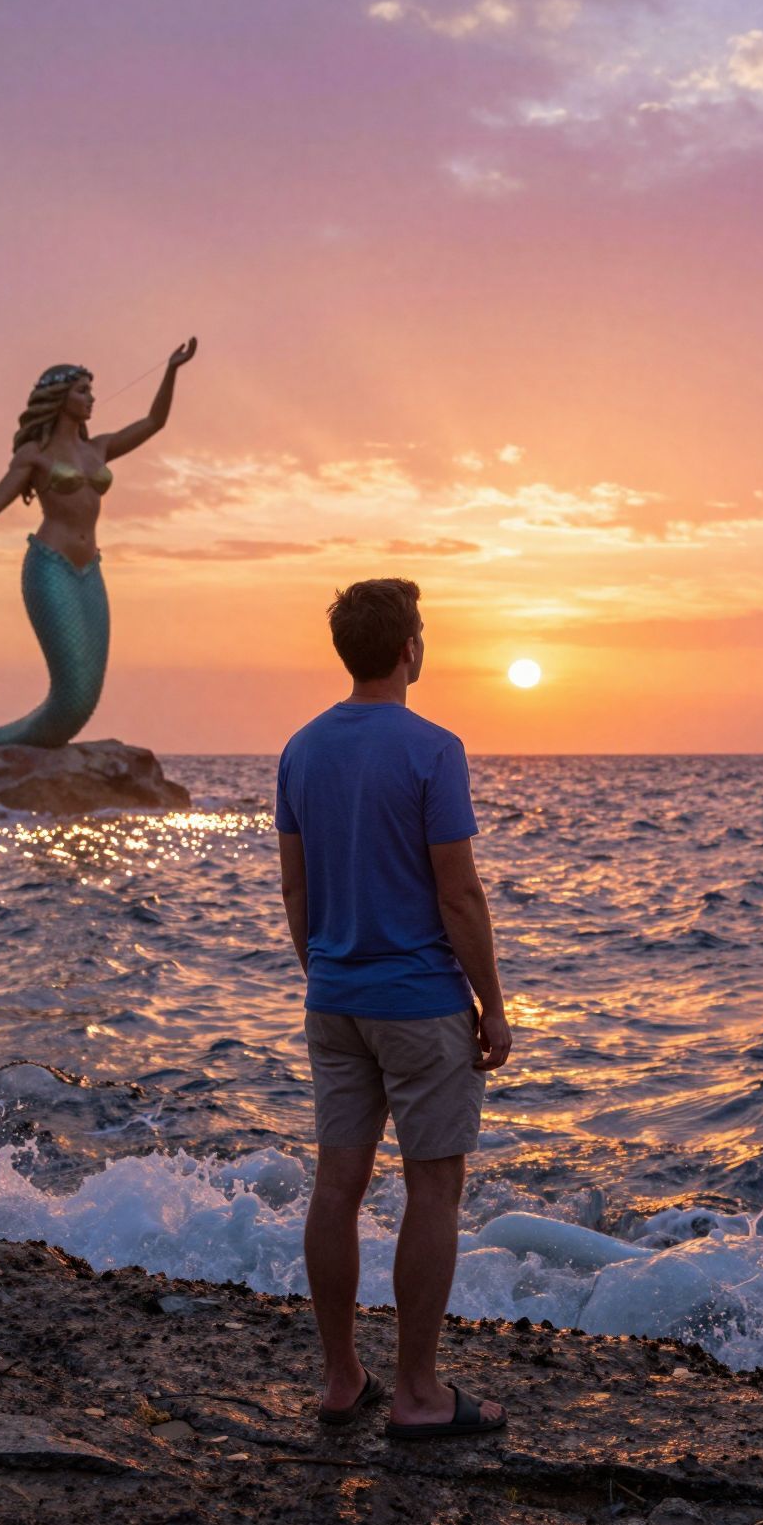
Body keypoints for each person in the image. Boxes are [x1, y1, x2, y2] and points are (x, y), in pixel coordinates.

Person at [275, 577, 512, 1440]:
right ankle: (417, 1393)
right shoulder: (434, 748)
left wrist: (326, 973)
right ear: (411, 648)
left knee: (337, 1186)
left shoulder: (301, 749)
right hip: (418, 1005)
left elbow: (295, 889)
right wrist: (492, 1004)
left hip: (333, 998)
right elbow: (461, 895)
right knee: (432, 1189)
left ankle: (343, 1380)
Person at [0, 340, 196, 750]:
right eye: (82, 390)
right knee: (70, 691)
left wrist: (172, 369)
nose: (91, 398)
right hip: (50, 566)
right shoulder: (34, 455)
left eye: (91, 390)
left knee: (86, 692)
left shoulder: (98, 447)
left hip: (91, 570)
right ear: (59, 397)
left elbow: (153, 422)